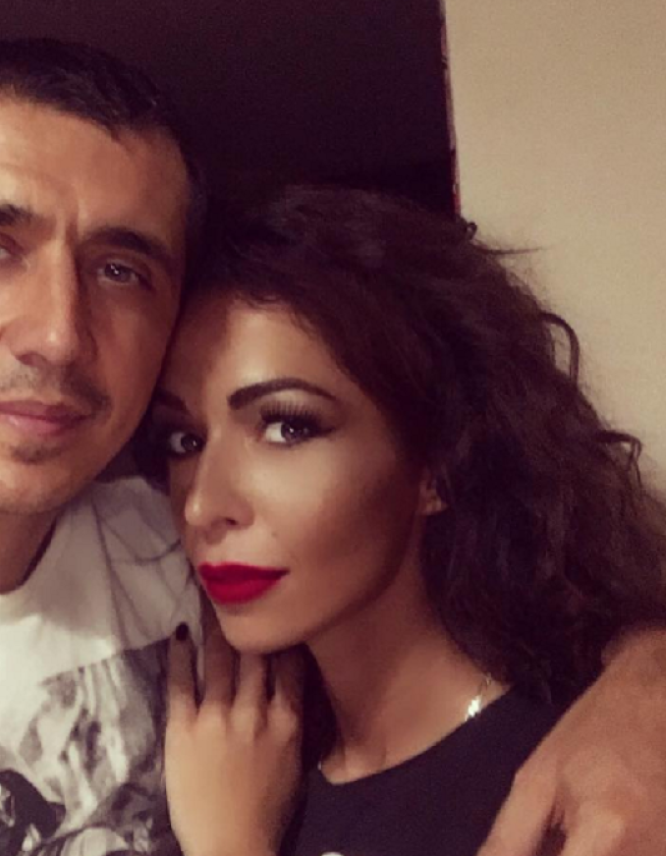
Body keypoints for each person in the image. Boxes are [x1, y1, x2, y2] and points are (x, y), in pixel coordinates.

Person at [0, 41, 666, 856]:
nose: (57, 335)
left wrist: (642, 695)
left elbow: (535, 594)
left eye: (120, 269)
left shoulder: (182, 551)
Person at [154, 186, 666, 856]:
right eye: (185, 441)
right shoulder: (229, 772)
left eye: (287, 427)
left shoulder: (587, 791)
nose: (202, 505)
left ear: (436, 465)